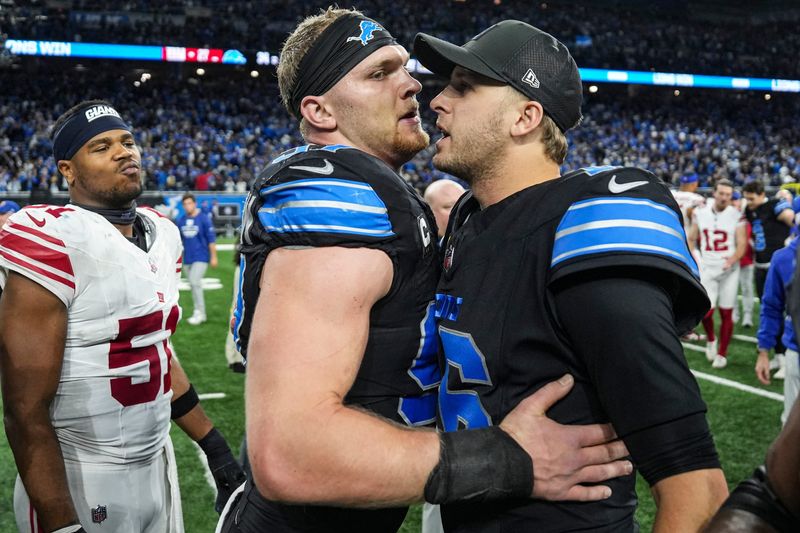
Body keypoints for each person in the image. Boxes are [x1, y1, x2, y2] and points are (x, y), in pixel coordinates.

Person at [218, 8, 631, 533]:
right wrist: (507, 459)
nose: (413, 85)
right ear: (320, 111)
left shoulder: (377, 191)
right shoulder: (344, 195)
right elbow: (292, 454)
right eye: (378, 73)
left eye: (404, 68)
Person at [414, 19, 728, 531]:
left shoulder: (583, 229)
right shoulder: (469, 223)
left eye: (464, 87)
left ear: (526, 117)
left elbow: (698, 489)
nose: (438, 100)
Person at [0, 100, 244, 533]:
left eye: (128, 141)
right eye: (101, 146)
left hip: (157, 464)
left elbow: (155, 352)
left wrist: (214, 446)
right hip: (81, 474)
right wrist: (63, 525)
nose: (123, 152)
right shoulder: (53, 237)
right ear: (67, 170)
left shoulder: (162, 234)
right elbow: (24, 408)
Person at [688, 179, 747, 369]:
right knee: (706, 311)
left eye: (728, 195)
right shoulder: (701, 212)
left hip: (728, 269)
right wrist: (696, 258)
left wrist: (731, 260)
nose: (724, 198)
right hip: (707, 267)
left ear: (731, 197)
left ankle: (722, 353)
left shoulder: (736, 215)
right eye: (721, 193)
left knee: (726, 311)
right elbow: (691, 238)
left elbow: (742, 243)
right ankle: (711, 339)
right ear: (714, 193)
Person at [743, 180, 794, 376]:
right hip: (761, 265)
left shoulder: (775, 204)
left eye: (752, 198)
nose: (749, 202)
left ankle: (787, 358)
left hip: (779, 266)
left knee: (785, 312)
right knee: (768, 310)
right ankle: (779, 356)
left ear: (762, 193)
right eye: (747, 198)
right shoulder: (749, 210)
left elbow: (792, 219)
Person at [755, 235, 799, 423]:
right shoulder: (784, 258)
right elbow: (772, 306)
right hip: (797, 354)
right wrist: (763, 350)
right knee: (792, 426)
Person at [175, 193, 218, 325]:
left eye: (190, 203)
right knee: (193, 285)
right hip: (188, 258)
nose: (188, 206)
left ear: (194, 204)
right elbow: (178, 241)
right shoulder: (181, 220)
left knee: (195, 282)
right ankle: (197, 311)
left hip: (201, 256)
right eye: (185, 204)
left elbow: (211, 239)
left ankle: (201, 313)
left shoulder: (204, 219)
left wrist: (214, 257)